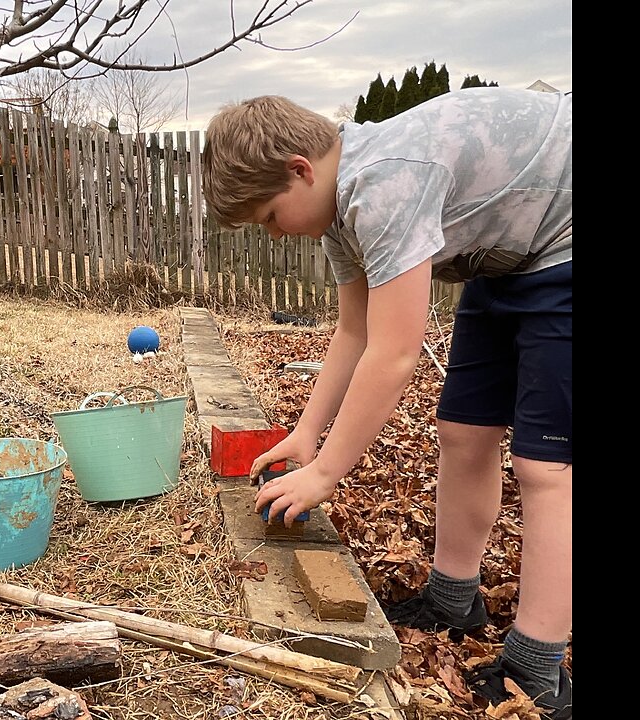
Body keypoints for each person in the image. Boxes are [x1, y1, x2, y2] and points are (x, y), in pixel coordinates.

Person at [200, 87, 571, 717]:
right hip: (506, 258)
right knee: (462, 431)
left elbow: (396, 352)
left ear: (300, 169)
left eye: (269, 216)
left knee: (547, 467)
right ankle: (453, 599)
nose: (275, 233)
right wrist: (306, 435)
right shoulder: (338, 209)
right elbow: (356, 331)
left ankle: (538, 666)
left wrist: (326, 473)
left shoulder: (384, 184)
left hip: (563, 245)